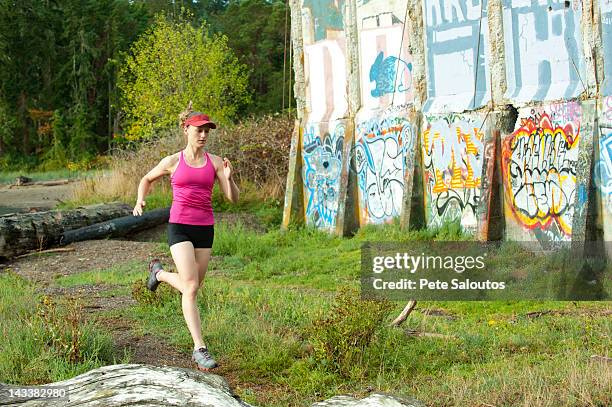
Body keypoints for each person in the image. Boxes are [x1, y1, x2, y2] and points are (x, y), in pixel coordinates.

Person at [132, 109, 239, 371]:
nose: (203, 135)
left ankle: (159, 274)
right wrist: (139, 199)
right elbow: (146, 179)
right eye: (198, 130)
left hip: (205, 228)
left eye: (206, 131)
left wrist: (229, 178)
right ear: (186, 130)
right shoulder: (172, 161)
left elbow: (233, 199)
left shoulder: (215, 162)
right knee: (190, 286)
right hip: (179, 226)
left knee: (194, 285)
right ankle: (199, 348)